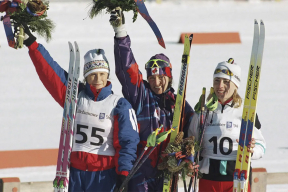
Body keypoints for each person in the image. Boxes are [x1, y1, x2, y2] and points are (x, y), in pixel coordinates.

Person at [21, 24, 140, 192]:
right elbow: (51, 73)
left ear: (107, 75)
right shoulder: (74, 97)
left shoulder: (119, 104)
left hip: (104, 176)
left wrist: (124, 171)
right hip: (75, 175)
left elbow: (128, 141)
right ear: (86, 76)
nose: (97, 79)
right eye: (92, 74)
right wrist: (32, 44)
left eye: (101, 74)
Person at [109, 8, 197, 192]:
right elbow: (127, 69)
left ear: (170, 78)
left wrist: (187, 155)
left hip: (168, 173)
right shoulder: (141, 96)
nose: (156, 83)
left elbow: (195, 131)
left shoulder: (179, 104)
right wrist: (120, 34)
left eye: (161, 78)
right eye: (152, 78)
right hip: (141, 172)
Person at [188, 59, 266, 192]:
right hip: (208, 178)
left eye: (226, 82)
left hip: (236, 179)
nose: (220, 86)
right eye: (217, 81)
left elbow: (261, 145)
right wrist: (189, 158)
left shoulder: (246, 112)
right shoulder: (203, 111)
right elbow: (191, 140)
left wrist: (252, 150)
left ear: (236, 85)